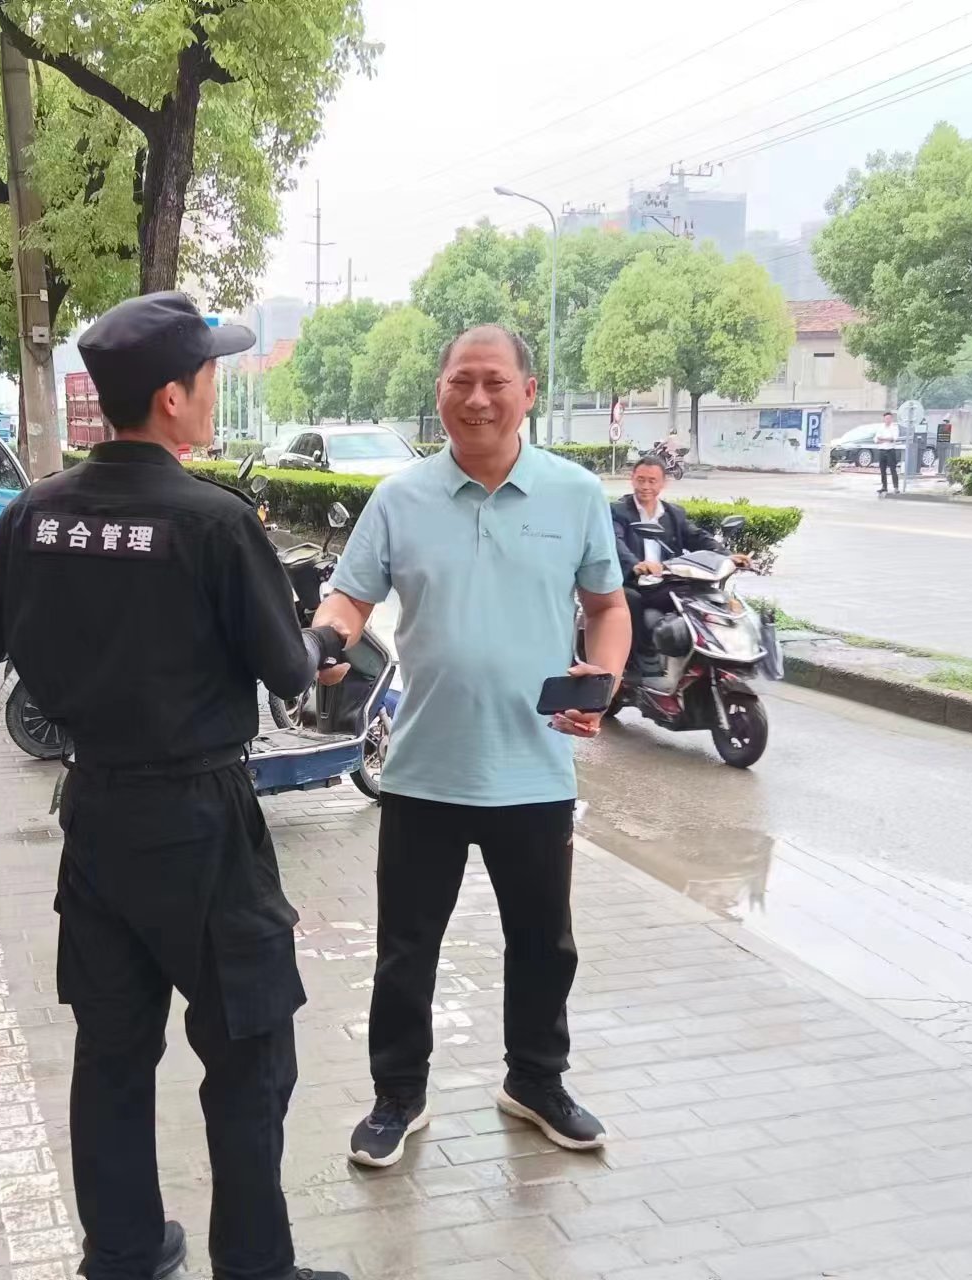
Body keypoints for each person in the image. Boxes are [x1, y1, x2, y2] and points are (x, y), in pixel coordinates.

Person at [0, 291, 352, 1280]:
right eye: (208, 375)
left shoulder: (38, 512)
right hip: (204, 828)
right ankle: (254, 1264)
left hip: (97, 819)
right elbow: (287, 670)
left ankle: (122, 1254)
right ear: (170, 397)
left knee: (113, 1052)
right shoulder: (215, 522)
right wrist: (322, 641)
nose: (213, 389)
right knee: (249, 1050)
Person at [311, 324, 632, 1169]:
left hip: (535, 768)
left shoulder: (573, 494)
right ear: (440, 391)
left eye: (495, 381)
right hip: (425, 769)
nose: (477, 398)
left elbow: (608, 608)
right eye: (462, 381)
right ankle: (398, 1095)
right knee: (406, 949)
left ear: (528, 392)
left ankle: (536, 1080)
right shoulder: (400, 498)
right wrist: (325, 638)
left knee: (544, 944)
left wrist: (602, 680)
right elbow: (350, 597)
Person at [613, 454, 750, 653]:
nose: (645, 486)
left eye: (652, 481)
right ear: (632, 479)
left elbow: (697, 537)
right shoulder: (618, 511)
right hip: (634, 582)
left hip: (667, 580)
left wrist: (726, 556)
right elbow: (615, 541)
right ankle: (642, 659)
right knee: (630, 598)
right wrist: (636, 564)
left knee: (705, 596)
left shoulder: (673, 514)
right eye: (640, 480)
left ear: (663, 483)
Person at [875, 410, 902, 493]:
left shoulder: (894, 427)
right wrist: (885, 439)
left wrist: (882, 439)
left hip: (890, 450)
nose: (888, 420)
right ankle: (884, 486)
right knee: (882, 470)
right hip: (881, 450)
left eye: (889, 418)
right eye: (886, 418)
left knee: (893, 469)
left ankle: (896, 487)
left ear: (891, 419)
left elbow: (893, 438)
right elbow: (876, 439)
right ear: (884, 419)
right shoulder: (881, 427)